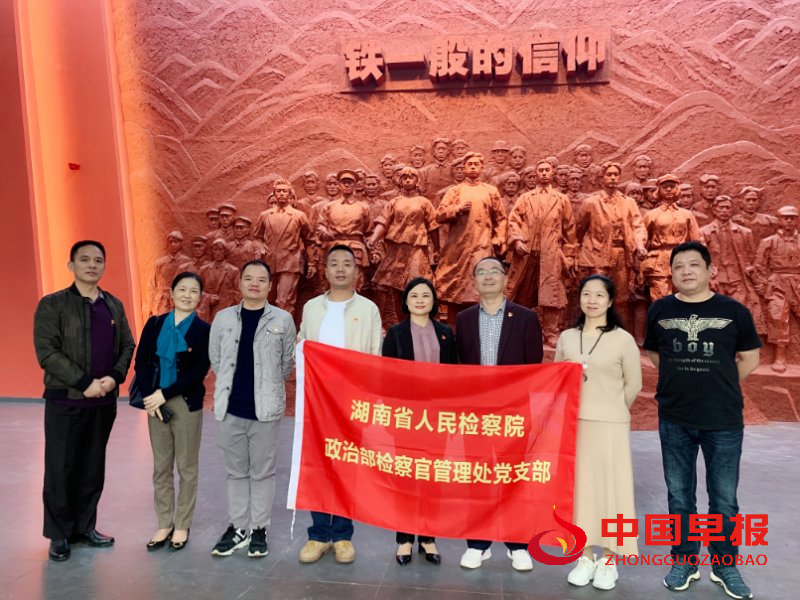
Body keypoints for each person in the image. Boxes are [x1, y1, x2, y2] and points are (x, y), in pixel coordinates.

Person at [644, 241, 760, 599]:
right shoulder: (661, 310)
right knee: (680, 496)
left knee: (723, 498)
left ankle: (725, 565)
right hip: (674, 418)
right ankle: (685, 560)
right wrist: (684, 380)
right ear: (671, 274)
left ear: (711, 270)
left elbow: (751, 358)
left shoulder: (733, 311)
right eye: (678, 266)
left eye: (694, 265)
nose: (686, 271)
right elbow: (655, 354)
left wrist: (717, 384)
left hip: (723, 420)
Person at [33, 240, 135, 561]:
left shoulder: (113, 305)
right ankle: (59, 534)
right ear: (71, 265)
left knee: (92, 467)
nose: (92, 265)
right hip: (66, 402)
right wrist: (84, 382)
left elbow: (127, 346)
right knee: (61, 468)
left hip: (103, 403)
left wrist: (115, 377)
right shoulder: (53, 305)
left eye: (98, 260)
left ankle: (84, 527)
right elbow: (47, 352)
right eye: (85, 259)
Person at [455, 256, 544, 572]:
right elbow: (459, 366)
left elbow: (534, 365)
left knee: (513, 477)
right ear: (474, 280)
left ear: (506, 279)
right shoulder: (464, 319)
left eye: (495, 271)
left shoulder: (525, 318)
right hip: (476, 414)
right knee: (478, 478)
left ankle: (517, 544)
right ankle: (478, 544)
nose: (488, 276)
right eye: (481, 272)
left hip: (514, 412)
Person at [555, 275, 642, 591]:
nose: (592, 300)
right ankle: (585, 557)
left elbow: (634, 384)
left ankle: (609, 560)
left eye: (599, 295)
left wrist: (614, 409)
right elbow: (556, 379)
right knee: (581, 493)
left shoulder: (623, 340)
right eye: (586, 294)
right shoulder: (567, 337)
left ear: (610, 301)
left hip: (610, 427)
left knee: (613, 492)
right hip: (574, 425)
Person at [298, 244, 382, 565]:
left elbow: (374, 357)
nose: (341, 269)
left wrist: (368, 401)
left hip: (352, 402)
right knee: (318, 466)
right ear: (326, 270)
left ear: (357, 271)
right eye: (334, 264)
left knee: (347, 467)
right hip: (318, 401)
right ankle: (319, 535)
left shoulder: (368, 309)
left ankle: (343, 535)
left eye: (348, 264)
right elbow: (302, 345)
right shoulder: (312, 308)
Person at [209, 260, 296, 558]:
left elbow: (286, 363)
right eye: (249, 278)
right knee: (235, 473)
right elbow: (216, 359)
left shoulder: (283, 320)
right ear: (240, 283)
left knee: (262, 472)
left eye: (261, 279)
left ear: (270, 286)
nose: (255, 284)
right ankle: (237, 528)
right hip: (230, 410)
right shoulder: (223, 318)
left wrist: (267, 387)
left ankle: (259, 529)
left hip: (265, 411)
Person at [381, 277, 457, 566]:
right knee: (406, 477)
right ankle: (404, 539)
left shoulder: (445, 333)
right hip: (406, 418)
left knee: (431, 478)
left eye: (426, 295)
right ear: (406, 301)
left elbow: (455, 375)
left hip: (437, 418)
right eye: (414, 296)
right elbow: (387, 377)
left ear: (433, 301)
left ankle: (427, 538)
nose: (420, 300)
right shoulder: (396, 334)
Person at [134, 272, 211, 552]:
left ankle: (182, 525)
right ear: (172, 292)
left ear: (200, 297)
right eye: (182, 289)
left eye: (194, 291)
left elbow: (198, 371)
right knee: (161, 467)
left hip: (185, 403)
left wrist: (164, 394)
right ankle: (164, 522)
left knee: (187, 467)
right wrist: (149, 397)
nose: (187, 295)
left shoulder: (203, 330)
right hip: (154, 403)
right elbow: (141, 362)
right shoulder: (154, 324)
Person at [506, 158, 577, 346]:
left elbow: (570, 230)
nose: (544, 173)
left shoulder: (561, 199)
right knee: (522, 294)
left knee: (551, 293)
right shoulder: (525, 198)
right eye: (541, 170)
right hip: (527, 254)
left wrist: (569, 256)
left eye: (547, 170)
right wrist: (517, 240)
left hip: (551, 254)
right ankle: (519, 329)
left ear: (552, 173)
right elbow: (513, 221)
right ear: (535, 174)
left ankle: (551, 333)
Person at [435, 152, 507, 321]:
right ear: (464, 168)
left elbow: (501, 218)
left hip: (482, 245)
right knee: (454, 286)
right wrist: (457, 209)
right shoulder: (455, 191)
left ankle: (480, 322)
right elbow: (439, 215)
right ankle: (453, 324)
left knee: (479, 283)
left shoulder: (490, 191)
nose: (473, 167)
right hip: (458, 247)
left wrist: (499, 237)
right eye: (470, 164)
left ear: (482, 167)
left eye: (476, 164)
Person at [368, 166, 440, 326]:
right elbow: (383, 222)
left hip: (416, 248)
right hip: (396, 250)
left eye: (411, 177)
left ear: (417, 181)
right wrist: (373, 239)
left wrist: (436, 249)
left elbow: (433, 226)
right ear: (400, 181)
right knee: (395, 286)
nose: (408, 180)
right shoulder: (394, 202)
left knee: (416, 283)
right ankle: (402, 323)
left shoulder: (424, 202)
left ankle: (421, 320)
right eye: (404, 178)